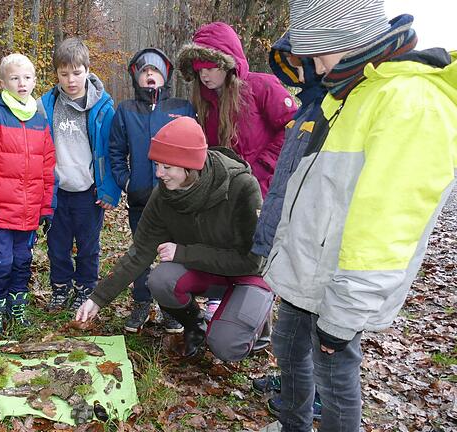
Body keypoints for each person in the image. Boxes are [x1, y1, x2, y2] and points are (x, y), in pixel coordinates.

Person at [265, 1, 457, 430]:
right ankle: (291, 425)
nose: (314, 65)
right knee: (289, 348)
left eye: (318, 53)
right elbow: (314, 188)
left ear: (346, 39)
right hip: (308, 273)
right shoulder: (354, 92)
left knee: (334, 378)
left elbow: (388, 226)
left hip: (338, 284)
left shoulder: (410, 102)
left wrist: (345, 313)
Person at [77, 117, 274, 362]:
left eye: (167, 167)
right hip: (207, 272)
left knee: (226, 346)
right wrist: (98, 298)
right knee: (161, 279)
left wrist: (184, 253)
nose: (159, 174)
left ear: (190, 166)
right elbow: (139, 252)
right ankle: (195, 325)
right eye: (157, 165)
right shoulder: (164, 196)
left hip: (247, 275)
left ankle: (255, 321)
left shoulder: (241, 187)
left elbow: (252, 262)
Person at [250, 32, 327, 422]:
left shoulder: (334, 109)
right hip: (292, 233)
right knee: (290, 335)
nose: (299, 69)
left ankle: (314, 395)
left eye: (303, 61)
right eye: (294, 63)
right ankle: (296, 386)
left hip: (318, 244)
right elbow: (286, 181)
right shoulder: (307, 109)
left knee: (322, 340)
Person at [0, 53, 56, 336]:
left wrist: (47, 206)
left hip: (29, 212)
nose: (22, 83)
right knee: (1, 262)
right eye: (15, 78)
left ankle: (17, 304)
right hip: (0, 212)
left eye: (27, 77)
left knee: (22, 262)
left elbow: (48, 167)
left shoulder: (39, 120)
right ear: (3, 82)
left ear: (34, 81)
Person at [109, 48, 196, 334]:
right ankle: (141, 303)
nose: (150, 75)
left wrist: (188, 186)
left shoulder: (182, 107)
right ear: (137, 76)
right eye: (145, 71)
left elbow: (196, 149)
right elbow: (116, 152)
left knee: (173, 255)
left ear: (165, 75)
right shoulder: (125, 110)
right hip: (141, 199)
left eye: (155, 71)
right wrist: (127, 183)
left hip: (177, 200)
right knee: (142, 252)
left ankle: (173, 307)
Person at [37, 38, 120, 313]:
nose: (71, 80)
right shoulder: (46, 105)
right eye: (64, 74)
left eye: (76, 72)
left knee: (88, 247)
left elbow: (111, 151)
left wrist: (110, 189)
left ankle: (85, 288)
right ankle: (60, 287)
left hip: (89, 192)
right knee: (57, 246)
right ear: (56, 74)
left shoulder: (103, 108)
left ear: (87, 70)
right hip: (58, 191)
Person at [176, 21, 297, 197]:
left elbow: (292, 128)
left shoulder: (262, 86)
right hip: (226, 193)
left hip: (266, 189)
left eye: (210, 67)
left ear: (227, 63)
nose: (204, 75)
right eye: (198, 69)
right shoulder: (204, 102)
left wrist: (261, 168)